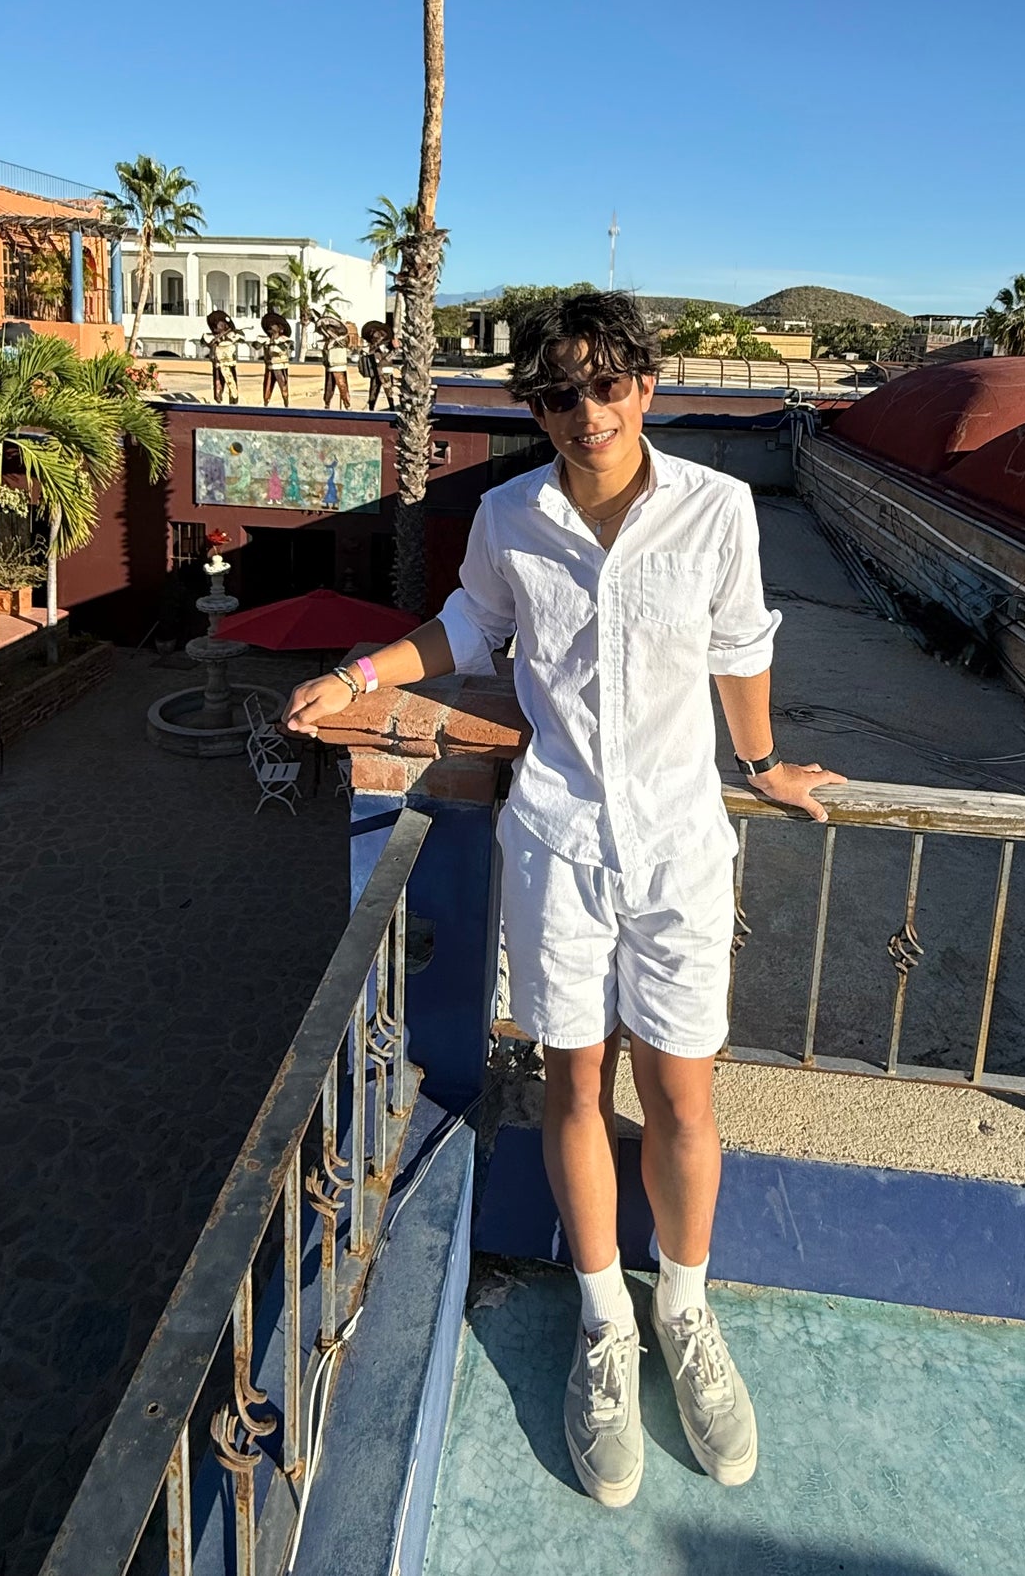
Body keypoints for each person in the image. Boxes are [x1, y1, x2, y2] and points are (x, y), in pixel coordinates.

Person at [284, 290, 843, 1510]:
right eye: (557, 392)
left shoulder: (717, 507)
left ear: (645, 384)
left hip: (681, 846)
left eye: (606, 383)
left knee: (683, 1092)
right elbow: (466, 629)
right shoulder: (508, 515)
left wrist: (761, 763)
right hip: (557, 840)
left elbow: (740, 648)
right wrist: (355, 674)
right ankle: (605, 1321)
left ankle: (683, 1307)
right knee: (574, 1085)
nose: (586, 410)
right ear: (534, 408)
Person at [204, 310, 240, 405]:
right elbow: (206, 343)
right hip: (218, 363)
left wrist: (225, 337)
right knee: (218, 384)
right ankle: (218, 399)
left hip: (230, 362)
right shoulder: (211, 337)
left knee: (232, 385)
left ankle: (233, 401)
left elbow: (240, 338)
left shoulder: (231, 335)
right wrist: (215, 340)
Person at [318, 314, 352, 410]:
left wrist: (334, 341)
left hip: (339, 365)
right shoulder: (328, 342)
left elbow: (344, 344)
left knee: (342, 385)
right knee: (329, 387)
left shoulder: (342, 339)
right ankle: (327, 404)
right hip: (330, 365)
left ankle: (347, 405)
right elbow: (325, 351)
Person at [260, 309, 293, 407]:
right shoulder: (266, 340)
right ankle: (266, 404)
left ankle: (286, 404)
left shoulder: (284, 339)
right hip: (270, 366)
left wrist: (275, 342)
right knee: (267, 387)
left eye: (273, 325)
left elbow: (285, 347)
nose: (271, 327)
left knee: (283, 387)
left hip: (280, 366)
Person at [359, 320, 394, 411]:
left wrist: (385, 360)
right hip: (376, 370)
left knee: (388, 390)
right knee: (374, 390)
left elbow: (393, 353)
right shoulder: (372, 346)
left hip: (385, 371)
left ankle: (392, 407)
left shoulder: (386, 345)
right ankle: (371, 407)